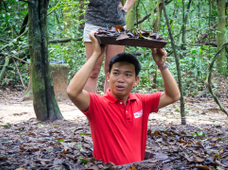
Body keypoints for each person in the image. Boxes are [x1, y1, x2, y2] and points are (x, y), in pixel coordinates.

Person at [67, 31, 181, 165]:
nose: (121, 79)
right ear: (108, 77)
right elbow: (72, 91)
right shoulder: (98, 104)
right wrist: (96, 54)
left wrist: (162, 65)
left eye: (127, 75)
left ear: (136, 80)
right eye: (116, 73)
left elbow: (173, 95)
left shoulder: (142, 102)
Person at [83, 0, 136, 93]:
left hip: (117, 24)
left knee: (113, 70)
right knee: (92, 71)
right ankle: (89, 106)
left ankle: (109, 106)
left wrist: (126, 8)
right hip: (93, 21)